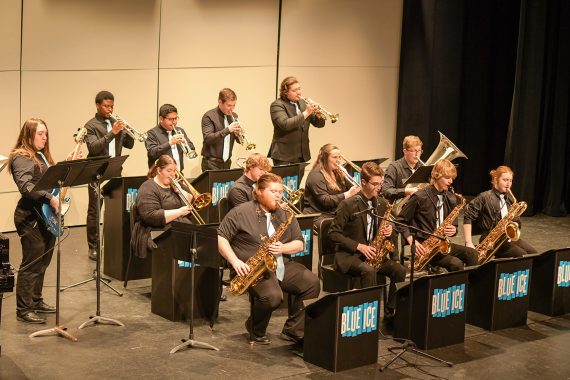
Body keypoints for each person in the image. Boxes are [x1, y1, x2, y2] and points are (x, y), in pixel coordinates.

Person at [218, 173, 320, 345]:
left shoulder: (286, 214)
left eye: (280, 192)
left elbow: (299, 244)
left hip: (280, 263)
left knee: (312, 283)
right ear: (258, 192)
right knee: (273, 297)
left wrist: (283, 248)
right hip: (252, 268)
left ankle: (293, 330)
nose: (278, 195)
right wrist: (235, 261)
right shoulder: (240, 212)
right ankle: (255, 328)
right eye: (273, 191)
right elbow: (221, 237)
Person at [328, 162, 406, 320]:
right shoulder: (348, 204)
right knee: (369, 271)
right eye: (375, 184)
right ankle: (369, 316)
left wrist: (388, 232)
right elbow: (333, 233)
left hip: (373, 254)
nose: (379, 188)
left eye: (381, 183)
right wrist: (359, 246)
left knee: (400, 270)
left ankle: (391, 310)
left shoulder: (382, 204)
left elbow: (383, 231)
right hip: (349, 255)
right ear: (363, 182)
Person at [8, 119, 64, 323]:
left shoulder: (41, 155)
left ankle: (35, 300)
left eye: (46, 134)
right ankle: (24, 309)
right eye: (40, 133)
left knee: (43, 261)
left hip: (45, 215)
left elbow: (48, 179)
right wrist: (50, 198)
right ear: (29, 134)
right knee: (32, 262)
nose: (45, 137)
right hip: (29, 217)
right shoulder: (21, 157)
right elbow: (26, 186)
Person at [396, 159, 478, 272]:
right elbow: (400, 221)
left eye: (452, 178)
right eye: (447, 178)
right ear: (436, 175)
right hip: (424, 247)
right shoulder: (419, 197)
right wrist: (411, 240)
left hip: (441, 244)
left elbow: (455, 228)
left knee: (472, 253)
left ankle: (469, 287)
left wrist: (453, 230)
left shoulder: (451, 198)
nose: (451, 182)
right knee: (456, 264)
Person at [84, 90, 134, 260]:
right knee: (95, 210)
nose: (109, 109)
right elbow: (93, 148)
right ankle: (93, 246)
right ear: (98, 105)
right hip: (97, 172)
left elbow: (130, 145)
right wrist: (113, 132)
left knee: (116, 209)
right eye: (106, 106)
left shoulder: (115, 122)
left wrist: (126, 130)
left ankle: (115, 243)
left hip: (115, 170)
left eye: (112, 106)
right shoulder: (90, 126)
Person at [463, 165, 537, 259]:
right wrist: (468, 242)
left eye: (510, 180)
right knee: (522, 255)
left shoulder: (510, 197)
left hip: (506, 238)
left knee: (534, 254)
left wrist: (515, 226)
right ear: (496, 180)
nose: (508, 183)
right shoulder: (484, 197)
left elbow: (516, 221)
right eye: (505, 180)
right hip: (491, 239)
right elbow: (468, 216)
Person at [130, 155, 193, 259]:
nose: (172, 174)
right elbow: (151, 216)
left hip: (177, 227)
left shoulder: (176, 184)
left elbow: (190, 202)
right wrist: (179, 212)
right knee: (182, 242)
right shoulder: (148, 187)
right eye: (169, 171)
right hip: (153, 231)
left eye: (174, 171)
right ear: (159, 170)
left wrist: (180, 191)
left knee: (200, 240)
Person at [268, 76, 325, 166]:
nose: (299, 92)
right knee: (283, 180)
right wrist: (306, 112)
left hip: (301, 154)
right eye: (294, 90)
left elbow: (319, 125)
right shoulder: (277, 105)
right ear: (285, 92)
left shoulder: (303, 103)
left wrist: (318, 115)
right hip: (284, 155)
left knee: (298, 180)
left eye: (299, 89)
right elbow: (285, 124)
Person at [303, 144, 359, 226]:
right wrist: (347, 194)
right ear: (325, 158)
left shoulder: (337, 172)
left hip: (334, 213)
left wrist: (347, 177)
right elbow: (325, 201)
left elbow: (352, 191)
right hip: (319, 215)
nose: (338, 160)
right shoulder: (316, 175)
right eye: (334, 157)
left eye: (339, 157)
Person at [145, 104, 196, 173]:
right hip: (160, 175)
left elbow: (191, 149)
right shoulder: (152, 133)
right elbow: (152, 153)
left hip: (178, 174)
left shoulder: (179, 130)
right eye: (170, 119)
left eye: (176, 118)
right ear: (161, 119)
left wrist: (185, 143)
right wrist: (170, 143)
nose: (174, 122)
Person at [201, 88, 242, 172]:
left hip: (227, 163)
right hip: (211, 164)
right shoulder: (209, 116)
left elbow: (238, 140)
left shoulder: (234, 116)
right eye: (229, 105)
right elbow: (208, 138)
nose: (232, 109)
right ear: (220, 102)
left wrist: (238, 135)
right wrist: (228, 130)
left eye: (234, 105)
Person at [381, 135, 425, 203]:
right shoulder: (394, 167)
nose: (417, 155)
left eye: (419, 151)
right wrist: (405, 191)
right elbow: (386, 191)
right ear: (405, 151)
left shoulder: (423, 167)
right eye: (413, 151)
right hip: (401, 210)